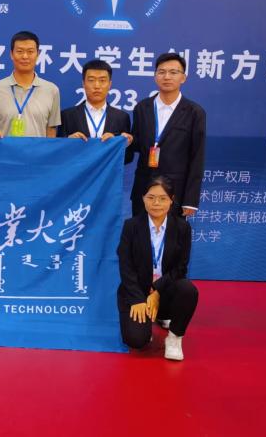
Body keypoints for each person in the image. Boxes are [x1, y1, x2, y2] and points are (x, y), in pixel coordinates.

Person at [116, 176, 199, 361]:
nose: (156, 203)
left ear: (171, 200)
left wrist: (157, 291)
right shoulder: (131, 226)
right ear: (143, 198)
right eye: (151, 197)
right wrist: (138, 299)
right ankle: (146, 323)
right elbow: (125, 266)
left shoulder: (182, 228)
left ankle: (175, 337)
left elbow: (181, 268)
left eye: (162, 198)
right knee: (136, 340)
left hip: (166, 290)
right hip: (138, 291)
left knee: (188, 290)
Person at [129, 53, 206, 218]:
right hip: (144, 191)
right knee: (140, 232)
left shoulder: (194, 112)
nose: (167, 77)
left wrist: (190, 200)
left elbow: (197, 157)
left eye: (173, 72)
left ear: (183, 78)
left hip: (175, 193)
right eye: (162, 72)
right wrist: (126, 140)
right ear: (155, 76)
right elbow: (137, 144)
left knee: (172, 234)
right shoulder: (142, 108)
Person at [0, 31, 61, 138]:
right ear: (11, 54)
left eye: (30, 51)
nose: (25, 56)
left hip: (38, 149)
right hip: (6, 149)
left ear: (38, 54)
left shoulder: (52, 90)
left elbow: (51, 129)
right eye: (20, 51)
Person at [57, 60, 134, 154]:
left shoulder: (122, 117)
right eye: (91, 80)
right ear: (83, 84)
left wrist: (119, 144)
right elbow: (58, 152)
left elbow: (128, 157)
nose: (97, 86)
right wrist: (68, 142)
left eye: (102, 80)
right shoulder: (67, 116)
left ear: (110, 84)